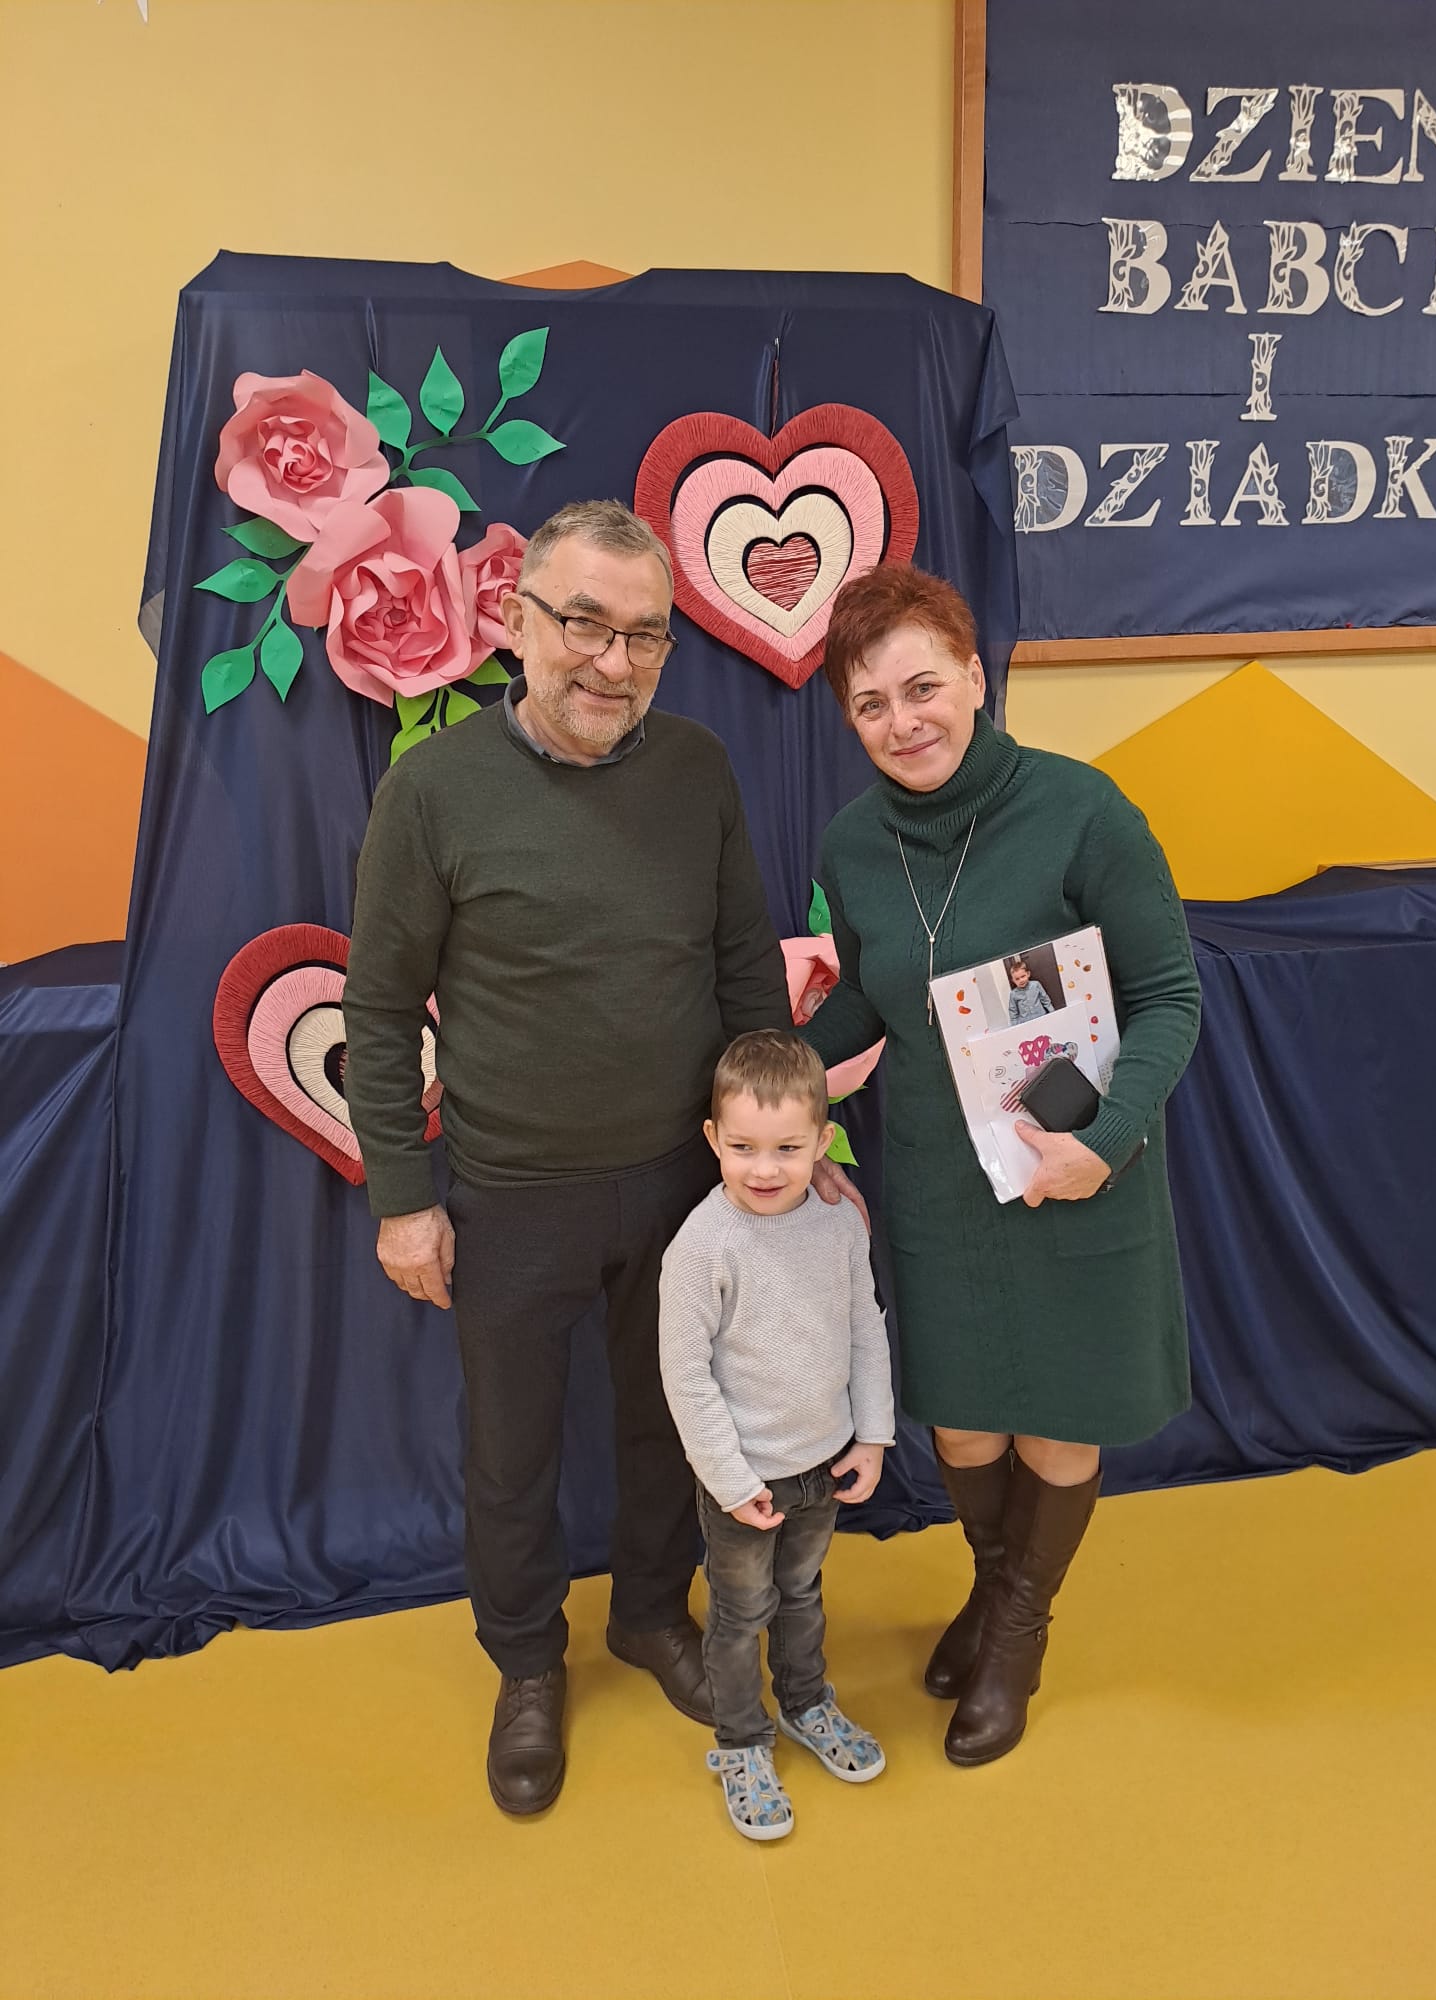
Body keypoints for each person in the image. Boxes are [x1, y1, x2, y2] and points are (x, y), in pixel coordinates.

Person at [343, 500, 850, 1818]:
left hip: (686, 1188)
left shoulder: (697, 769)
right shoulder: (431, 791)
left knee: (670, 1423)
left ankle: (648, 1615)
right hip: (509, 1193)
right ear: (516, 622)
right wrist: (403, 1200)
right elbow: (380, 1010)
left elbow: (745, 973)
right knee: (512, 1451)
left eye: (643, 634)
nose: (611, 661)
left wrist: (792, 1151)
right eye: (581, 622)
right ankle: (526, 1662)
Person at [800, 563, 1201, 1767]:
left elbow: (1169, 995)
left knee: (1060, 1423)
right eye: (871, 703)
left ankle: (1018, 1630)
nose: (903, 720)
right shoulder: (853, 843)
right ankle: (990, 1584)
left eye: (923, 686)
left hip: (1072, 1169)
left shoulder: (1083, 810)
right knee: (966, 1425)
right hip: (937, 1180)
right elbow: (870, 1004)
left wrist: (1101, 1142)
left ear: (976, 677)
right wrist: (773, 1074)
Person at [658, 1031, 895, 1840]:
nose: (765, 1168)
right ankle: (741, 1742)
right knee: (740, 1614)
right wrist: (731, 1483)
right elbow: (686, 1379)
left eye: (788, 1148)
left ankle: (805, 1702)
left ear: (822, 1142)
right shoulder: (702, 1246)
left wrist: (872, 1437)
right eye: (744, 1148)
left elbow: (865, 1330)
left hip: (822, 1465)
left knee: (802, 1594)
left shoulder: (838, 1225)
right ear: (713, 1139)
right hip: (744, 1481)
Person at [1005, 955, 1055, 1025]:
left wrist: (1053, 1013)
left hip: (1041, 1017)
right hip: (1026, 1023)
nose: (1021, 980)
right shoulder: (1013, 994)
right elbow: (1013, 1012)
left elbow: (1045, 999)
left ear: (1028, 974)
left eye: (1023, 976)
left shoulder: (1036, 985)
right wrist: (1015, 1026)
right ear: (1013, 981)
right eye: (1017, 979)